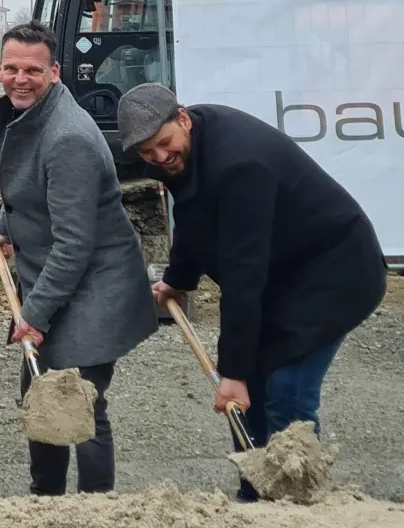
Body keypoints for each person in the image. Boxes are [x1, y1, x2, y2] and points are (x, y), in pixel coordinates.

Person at [117, 82, 386, 501]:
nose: (160, 157)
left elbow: (243, 275)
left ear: (183, 119)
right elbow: (192, 213)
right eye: (147, 153)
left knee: (285, 388)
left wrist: (234, 374)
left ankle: (298, 503)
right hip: (284, 271)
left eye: (164, 144)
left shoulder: (240, 165)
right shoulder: (185, 151)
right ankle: (255, 497)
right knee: (248, 395)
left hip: (335, 272)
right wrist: (179, 278)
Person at [0, 21, 156, 496]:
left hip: (96, 286)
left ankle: (94, 510)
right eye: (11, 68)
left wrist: (33, 317)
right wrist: (4, 230)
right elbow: (28, 187)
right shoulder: (29, 114)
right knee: (41, 395)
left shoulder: (68, 138)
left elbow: (74, 244)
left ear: (54, 72)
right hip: (62, 278)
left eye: (32, 70)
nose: (20, 79)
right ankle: (48, 502)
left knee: (78, 404)